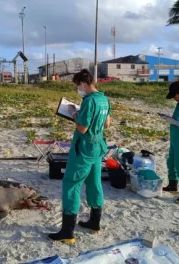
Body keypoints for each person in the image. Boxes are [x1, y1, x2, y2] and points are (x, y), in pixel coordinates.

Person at [48, 69, 111, 243]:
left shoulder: (89, 101)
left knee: (71, 184)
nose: (78, 89)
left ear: (82, 83)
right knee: (94, 182)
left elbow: (82, 128)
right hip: (98, 147)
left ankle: (68, 231)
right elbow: (107, 123)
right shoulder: (104, 99)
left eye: (78, 85)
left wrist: (74, 113)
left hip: (83, 149)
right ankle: (94, 222)